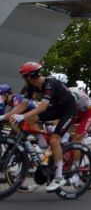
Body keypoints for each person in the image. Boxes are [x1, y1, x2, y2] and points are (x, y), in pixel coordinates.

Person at [7, 63, 77, 191]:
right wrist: (5, 116)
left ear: (29, 76)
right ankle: (43, 146)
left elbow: (42, 107)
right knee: (28, 120)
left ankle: (59, 177)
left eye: (23, 76)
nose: (22, 79)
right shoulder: (31, 86)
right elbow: (23, 105)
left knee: (55, 140)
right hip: (56, 108)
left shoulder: (50, 84)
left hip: (68, 110)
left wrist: (22, 116)